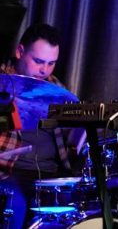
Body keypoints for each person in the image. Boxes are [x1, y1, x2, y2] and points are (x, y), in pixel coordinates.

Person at [0, 23, 84, 228]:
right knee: (15, 208)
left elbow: (73, 142)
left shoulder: (57, 89)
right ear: (20, 51)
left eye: (51, 63)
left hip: (53, 176)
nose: (44, 70)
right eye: (38, 61)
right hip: (9, 174)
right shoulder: (2, 83)